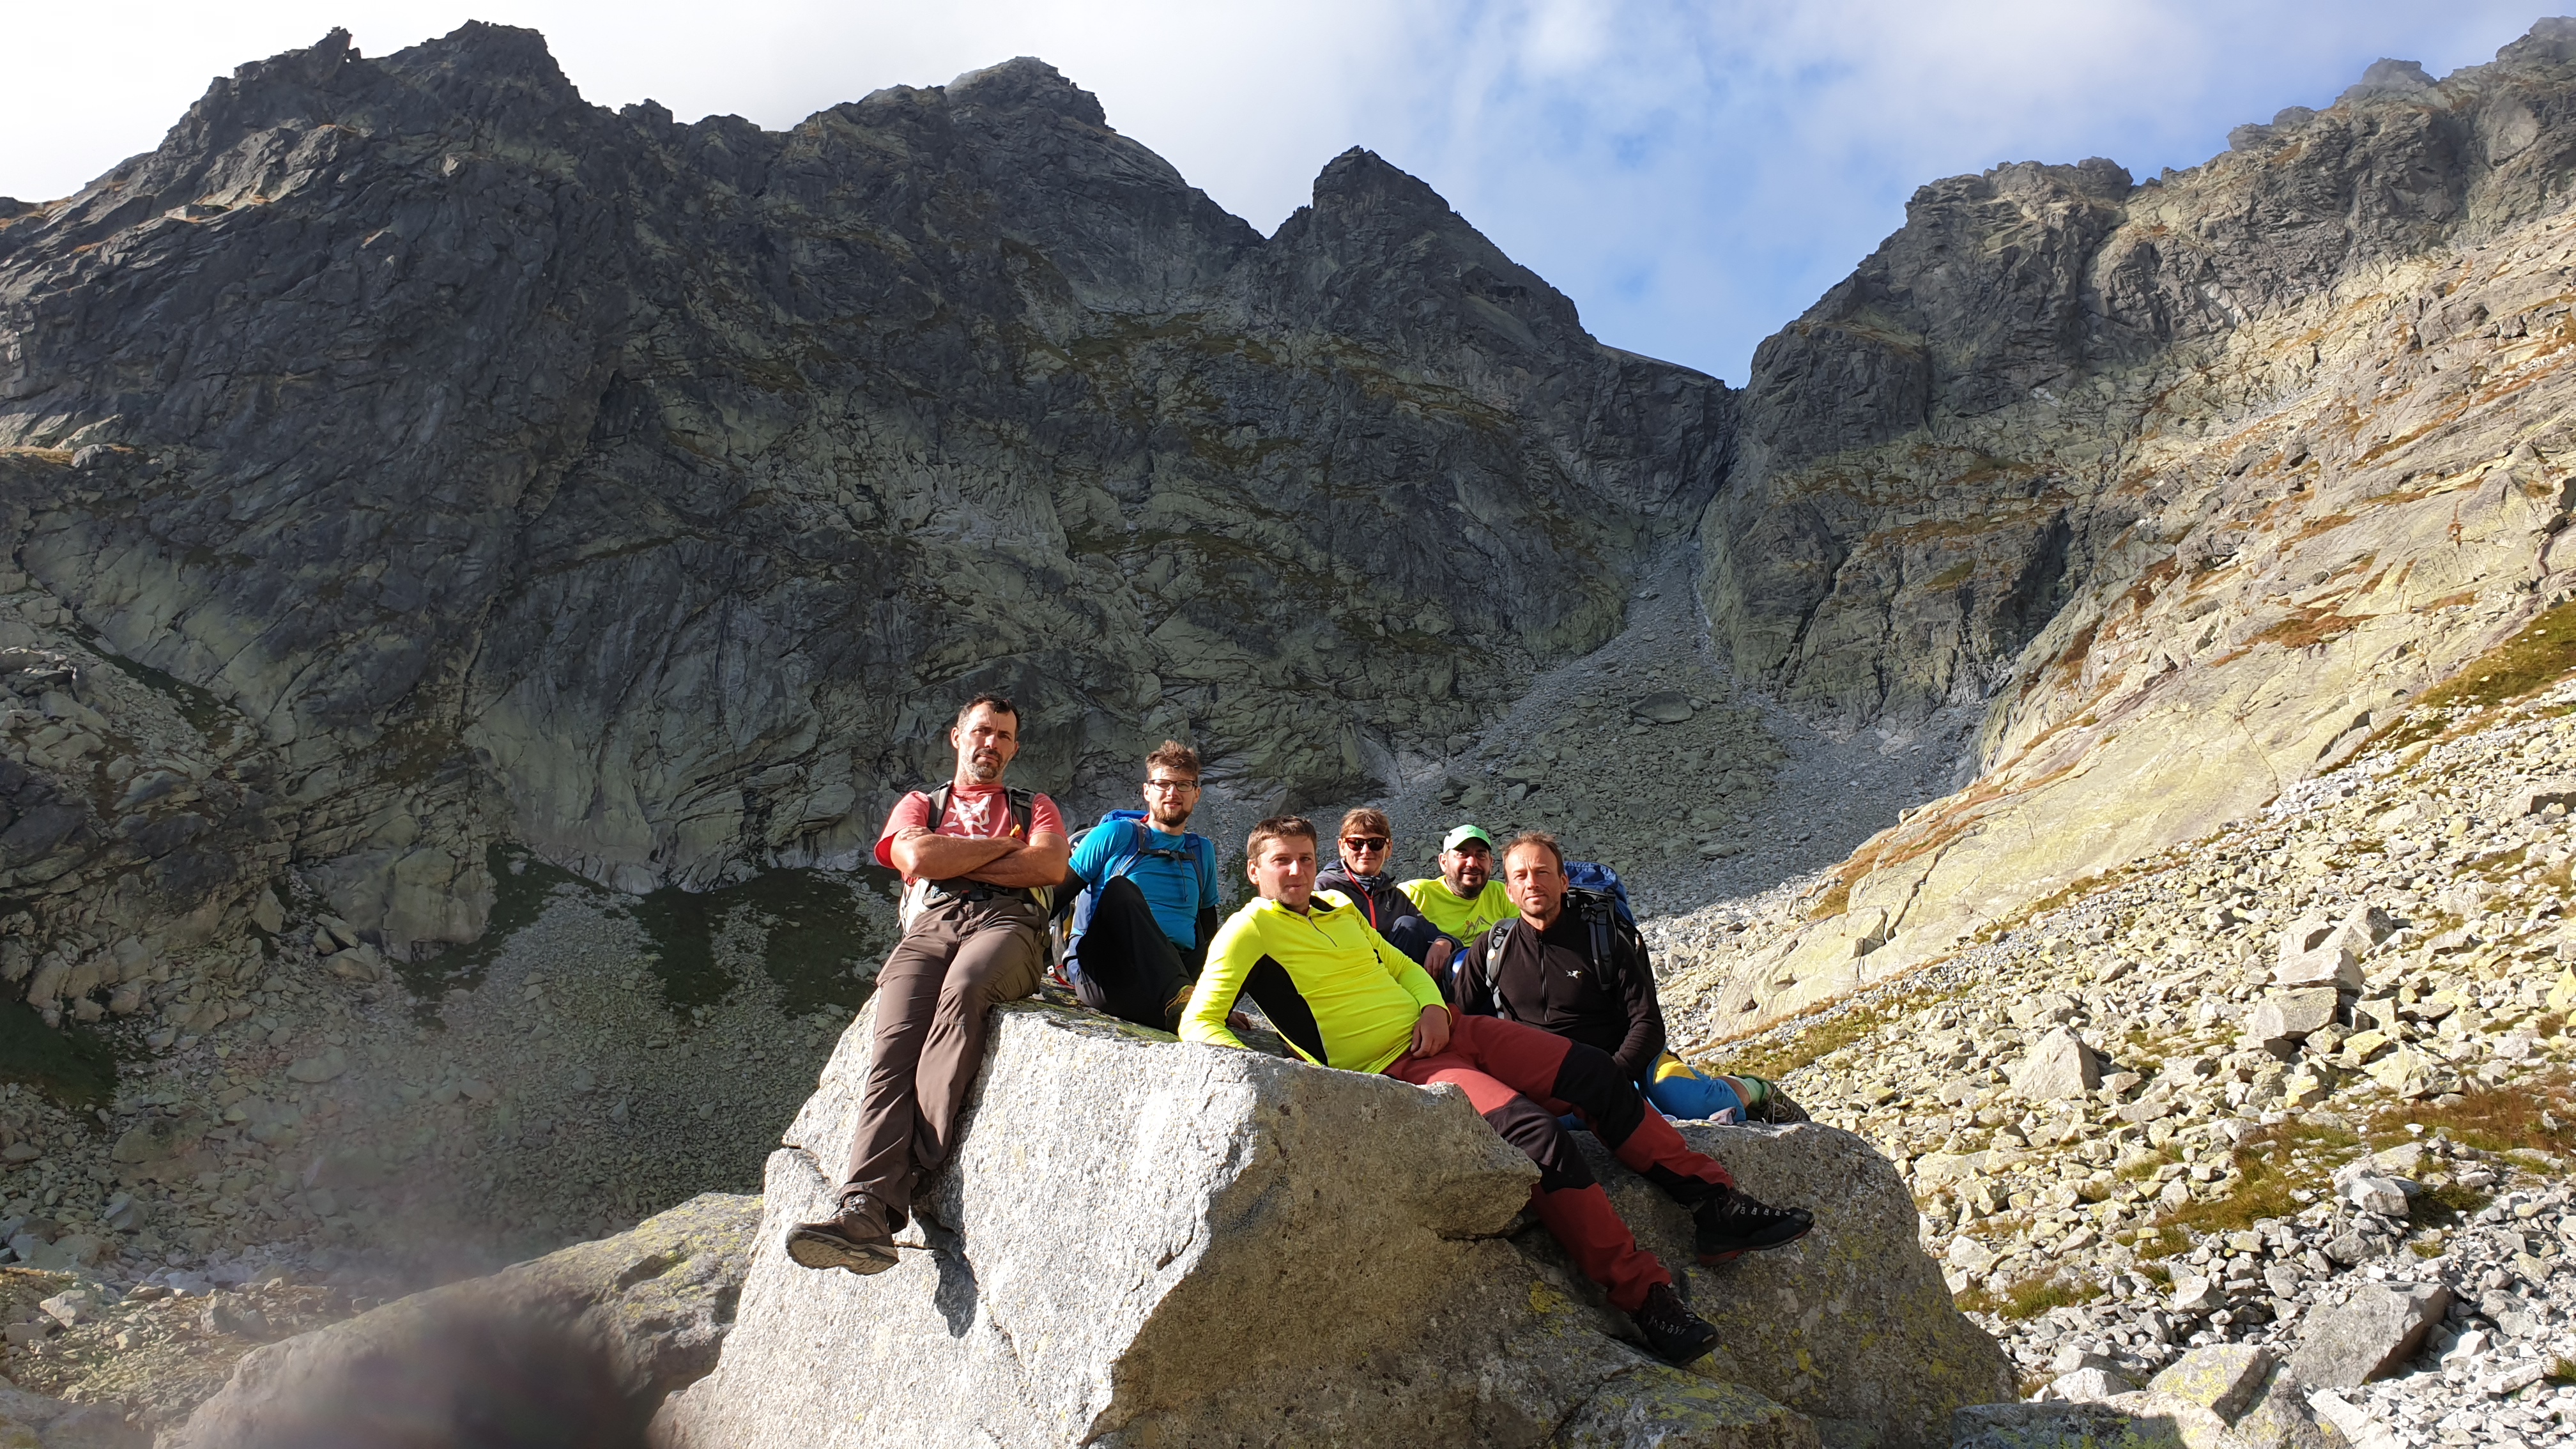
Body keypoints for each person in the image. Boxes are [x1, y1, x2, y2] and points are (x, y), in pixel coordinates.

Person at [1180, 816, 1814, 1366]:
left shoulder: (1338, 909)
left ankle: (1715, 1206)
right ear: (1255, 870)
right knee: (1534, 1136)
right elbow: (1198, 1023)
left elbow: (1400, 967)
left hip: (1451, 1030)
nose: (1294, 871)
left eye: (1303, 859)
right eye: (1279, 862)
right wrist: (1279, 1083)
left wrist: (1431, 1007)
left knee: (1596, 1073)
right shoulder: (1248, 930)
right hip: (1399, 1068)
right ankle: (1645, 1299)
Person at [786, 694, 1070, 1275]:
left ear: (1014, 749)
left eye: (1004, 737)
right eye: (981, 731)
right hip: (932, 922)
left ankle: (907, 1173)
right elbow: (912, 853)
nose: (991, 744)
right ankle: (863, 1209)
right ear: (957, 737)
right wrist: (1004, 849)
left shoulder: (1035, 804)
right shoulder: (921, 803)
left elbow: (1047, 869)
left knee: (964, 992)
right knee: (892, 1050)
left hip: (1009, 921)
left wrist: (952, 859)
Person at [1461, 832, 1793, 1124]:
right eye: (1520, 876)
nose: (1531, 883)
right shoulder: (1493, 948)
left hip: (1623, 1059)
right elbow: (1457, 1017)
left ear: (1564, 882)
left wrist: (1610, 1078)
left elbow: (1647, 1023)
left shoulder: (1605, 939)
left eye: (1542, 872)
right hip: (1545, 1077)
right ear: (1508, 892)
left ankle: (1755, 1089)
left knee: (1696, 1103)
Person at [1058, 741, 1222, 1030]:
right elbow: (1057, 897)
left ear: (1196, 794)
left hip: (1170, 982)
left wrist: (1218, 995)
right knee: (1120, 890)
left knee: (1253, 928)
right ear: (1147, 791)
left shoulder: (1201, 851)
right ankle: (1182, 998)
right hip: (1110, 976)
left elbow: (1208, 928)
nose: (1172, 793)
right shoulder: (1116, 834)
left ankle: (1311, 1042)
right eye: (1163, 784)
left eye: (1184, 785)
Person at [1314, 808, 1451, 976]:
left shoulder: (1394, 897)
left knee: (1410, 926)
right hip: (1346, 978)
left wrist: (1444, 941)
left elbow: (1430, 931)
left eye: (1376, 843)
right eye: (1356, 843)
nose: (1365, 851)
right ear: (1342, 847)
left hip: (1393, 978)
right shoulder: (1324, 889)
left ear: (1389, 848)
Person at [1399, 824, 1516, 990]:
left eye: (1480, 855)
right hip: (1423, 987)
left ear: (1491, 863)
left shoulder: (1503, 894)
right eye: (1462, 854)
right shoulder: (1416, 894)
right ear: (1444, 862)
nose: (1472, 863)